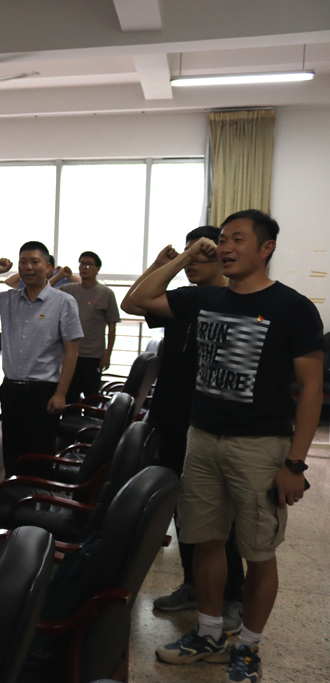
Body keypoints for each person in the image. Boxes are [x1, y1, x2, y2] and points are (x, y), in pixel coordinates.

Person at [131, 210, 324, 683]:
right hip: (201, 438)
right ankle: (210, 633)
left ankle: (249, 647)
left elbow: (311, 390)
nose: (226, 247)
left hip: (261, 445)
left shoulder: (294, 307)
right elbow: (139, 299)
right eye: (222, 239)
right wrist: (185, 258)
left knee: (258, 551)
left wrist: (295, 464)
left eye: (238, 239)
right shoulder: (205, 298)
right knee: (205, 540)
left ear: (266, 247)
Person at [123, 226, 245, 634]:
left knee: (219, 520)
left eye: (201, 256)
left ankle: (232, 597)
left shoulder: (229, 303)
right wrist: (167, 263)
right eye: (189, 256)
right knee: (186, 511)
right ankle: (194, 585)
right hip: (172, 419)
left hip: (209, 425)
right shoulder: (181, 300)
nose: (192, 264)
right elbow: (131, 302)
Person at [0, 242, 82, 470]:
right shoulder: (7, 299)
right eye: (23, 262)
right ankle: (12, 491)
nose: (28, 267)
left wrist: (61, 394)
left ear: (48, 268)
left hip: (44, 392)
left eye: (35, 262)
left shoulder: (64, 302)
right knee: (12, 453)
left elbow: (72, 352)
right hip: (11, 390)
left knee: (39, 455)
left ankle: (39, 492)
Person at [59, 250, 120, 403]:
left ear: (97, 269)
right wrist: (60, 276)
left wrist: (107, 354)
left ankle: (90, 419)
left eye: (88, 264)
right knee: (69, 398)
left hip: (93, 355)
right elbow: (46, 291)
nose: (83, 267)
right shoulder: (69, 289)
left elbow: (112, 326)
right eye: (81, 263)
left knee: (91, 398)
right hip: (70, 354)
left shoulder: (106, 293)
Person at [4, 253, 81, 289]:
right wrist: (25, 270)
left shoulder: (59, 276)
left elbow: (80, 283)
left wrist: (67, 274)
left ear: (52, 267)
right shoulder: (32, 278)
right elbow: (9, 281)